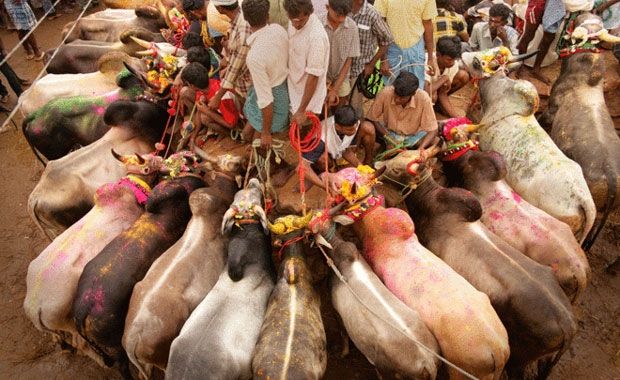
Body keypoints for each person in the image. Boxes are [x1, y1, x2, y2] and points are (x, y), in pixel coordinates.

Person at [241, 0, 290, 151]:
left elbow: (266, 100)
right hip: (282, 88)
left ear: (246, 19)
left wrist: (266, 132)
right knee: (247, 134)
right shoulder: (279, 30)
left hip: (272, 99)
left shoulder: (255, 57)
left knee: (259, 145)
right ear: (268, 15)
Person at [297, 105, 375, 193]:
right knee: (322, 160)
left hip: (336, 150)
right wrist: (325, 187)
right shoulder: (321, 139)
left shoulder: (353, 124)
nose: (354, 131)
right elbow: (301, 167)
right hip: (323, 153)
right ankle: (321, 173)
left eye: (355, 126)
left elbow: (345, 150)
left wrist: (360, 166)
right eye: (350, 130)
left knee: (368, 127)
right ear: (338, 127)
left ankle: (368, 162)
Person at [362, 71, 438, 152]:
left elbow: (433, 130)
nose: (397, 99)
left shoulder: (423, 98)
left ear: (413, 94)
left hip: (413, 136)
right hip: (389, 133)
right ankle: (372, 157)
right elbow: (372, 118)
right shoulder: (386, 92)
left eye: (402, 97)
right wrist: (388, 138)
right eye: (396, 94)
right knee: (366, 126)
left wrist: (419, 151)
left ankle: (407, 149)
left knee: (440, 145)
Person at [284, 0, 329, 126]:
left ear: (311, 12)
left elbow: (313, 77)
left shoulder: (316, 37)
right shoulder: (294, 18)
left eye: (300, 20)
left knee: (304, 138)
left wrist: (301, 110)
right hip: (293, 91)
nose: (295, 24)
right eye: (292, 20)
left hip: (308, 102)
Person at [373, 0, 437, 88]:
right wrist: (384, 59)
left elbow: (428, 24)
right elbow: (379, 25)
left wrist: (430, 58)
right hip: (391, 49)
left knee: (416, 90)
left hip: (416, 50)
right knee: (392, 90)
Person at [348, 0, 393, 118]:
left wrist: (372, 64)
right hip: (340, 68)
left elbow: (387, 39)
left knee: (355, 106)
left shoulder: (372, 14)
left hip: (359, 69)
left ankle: (356, 133)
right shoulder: (343, 8)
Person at [180, 62, 242, 146]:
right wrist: (193, 138)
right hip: (228, 115)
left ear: (192, 86)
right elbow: (198, 112)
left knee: (205, 118)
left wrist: (207, 112)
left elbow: (232, 124)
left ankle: (237, 137)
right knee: (203, 116)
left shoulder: (222, 97)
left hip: (239, 121)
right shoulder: (204, 88)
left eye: (187, 84)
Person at [207, 0, 253, 115]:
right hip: (243, 80)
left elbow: (234, 71)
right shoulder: (238, 19)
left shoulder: (242, 34)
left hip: (248, 86)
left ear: (220, 9)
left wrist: (218, 97)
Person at [320, 0, 360, 110]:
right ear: (327, 7)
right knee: (322, 111)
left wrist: (334, 90)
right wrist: (323, 82)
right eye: (337, 16)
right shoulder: (318, 24)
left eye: (345, 16)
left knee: (340, 110)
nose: (341, 20)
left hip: (342, 77)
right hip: (321, 77)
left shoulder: (352, 27)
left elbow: (348, 61)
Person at [515, 0, 565, 84]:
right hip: (537, 2)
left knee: (548, 38)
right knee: (528, 35)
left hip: (555, 3)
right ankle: (521, 68)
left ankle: (536, 69)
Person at [424, 35, 470, 118]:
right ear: (438, 55)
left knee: (464, 76)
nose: (452, 62)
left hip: (435, 89)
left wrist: (456, 118)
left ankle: (438, 105)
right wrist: (444, 78)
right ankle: (427, 113)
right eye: (449, 59)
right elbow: (426, 91)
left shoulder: (453, 65)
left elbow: (442, 93)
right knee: (433, 96)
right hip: (423, 92)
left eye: (454, 59)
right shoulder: (427, 62)